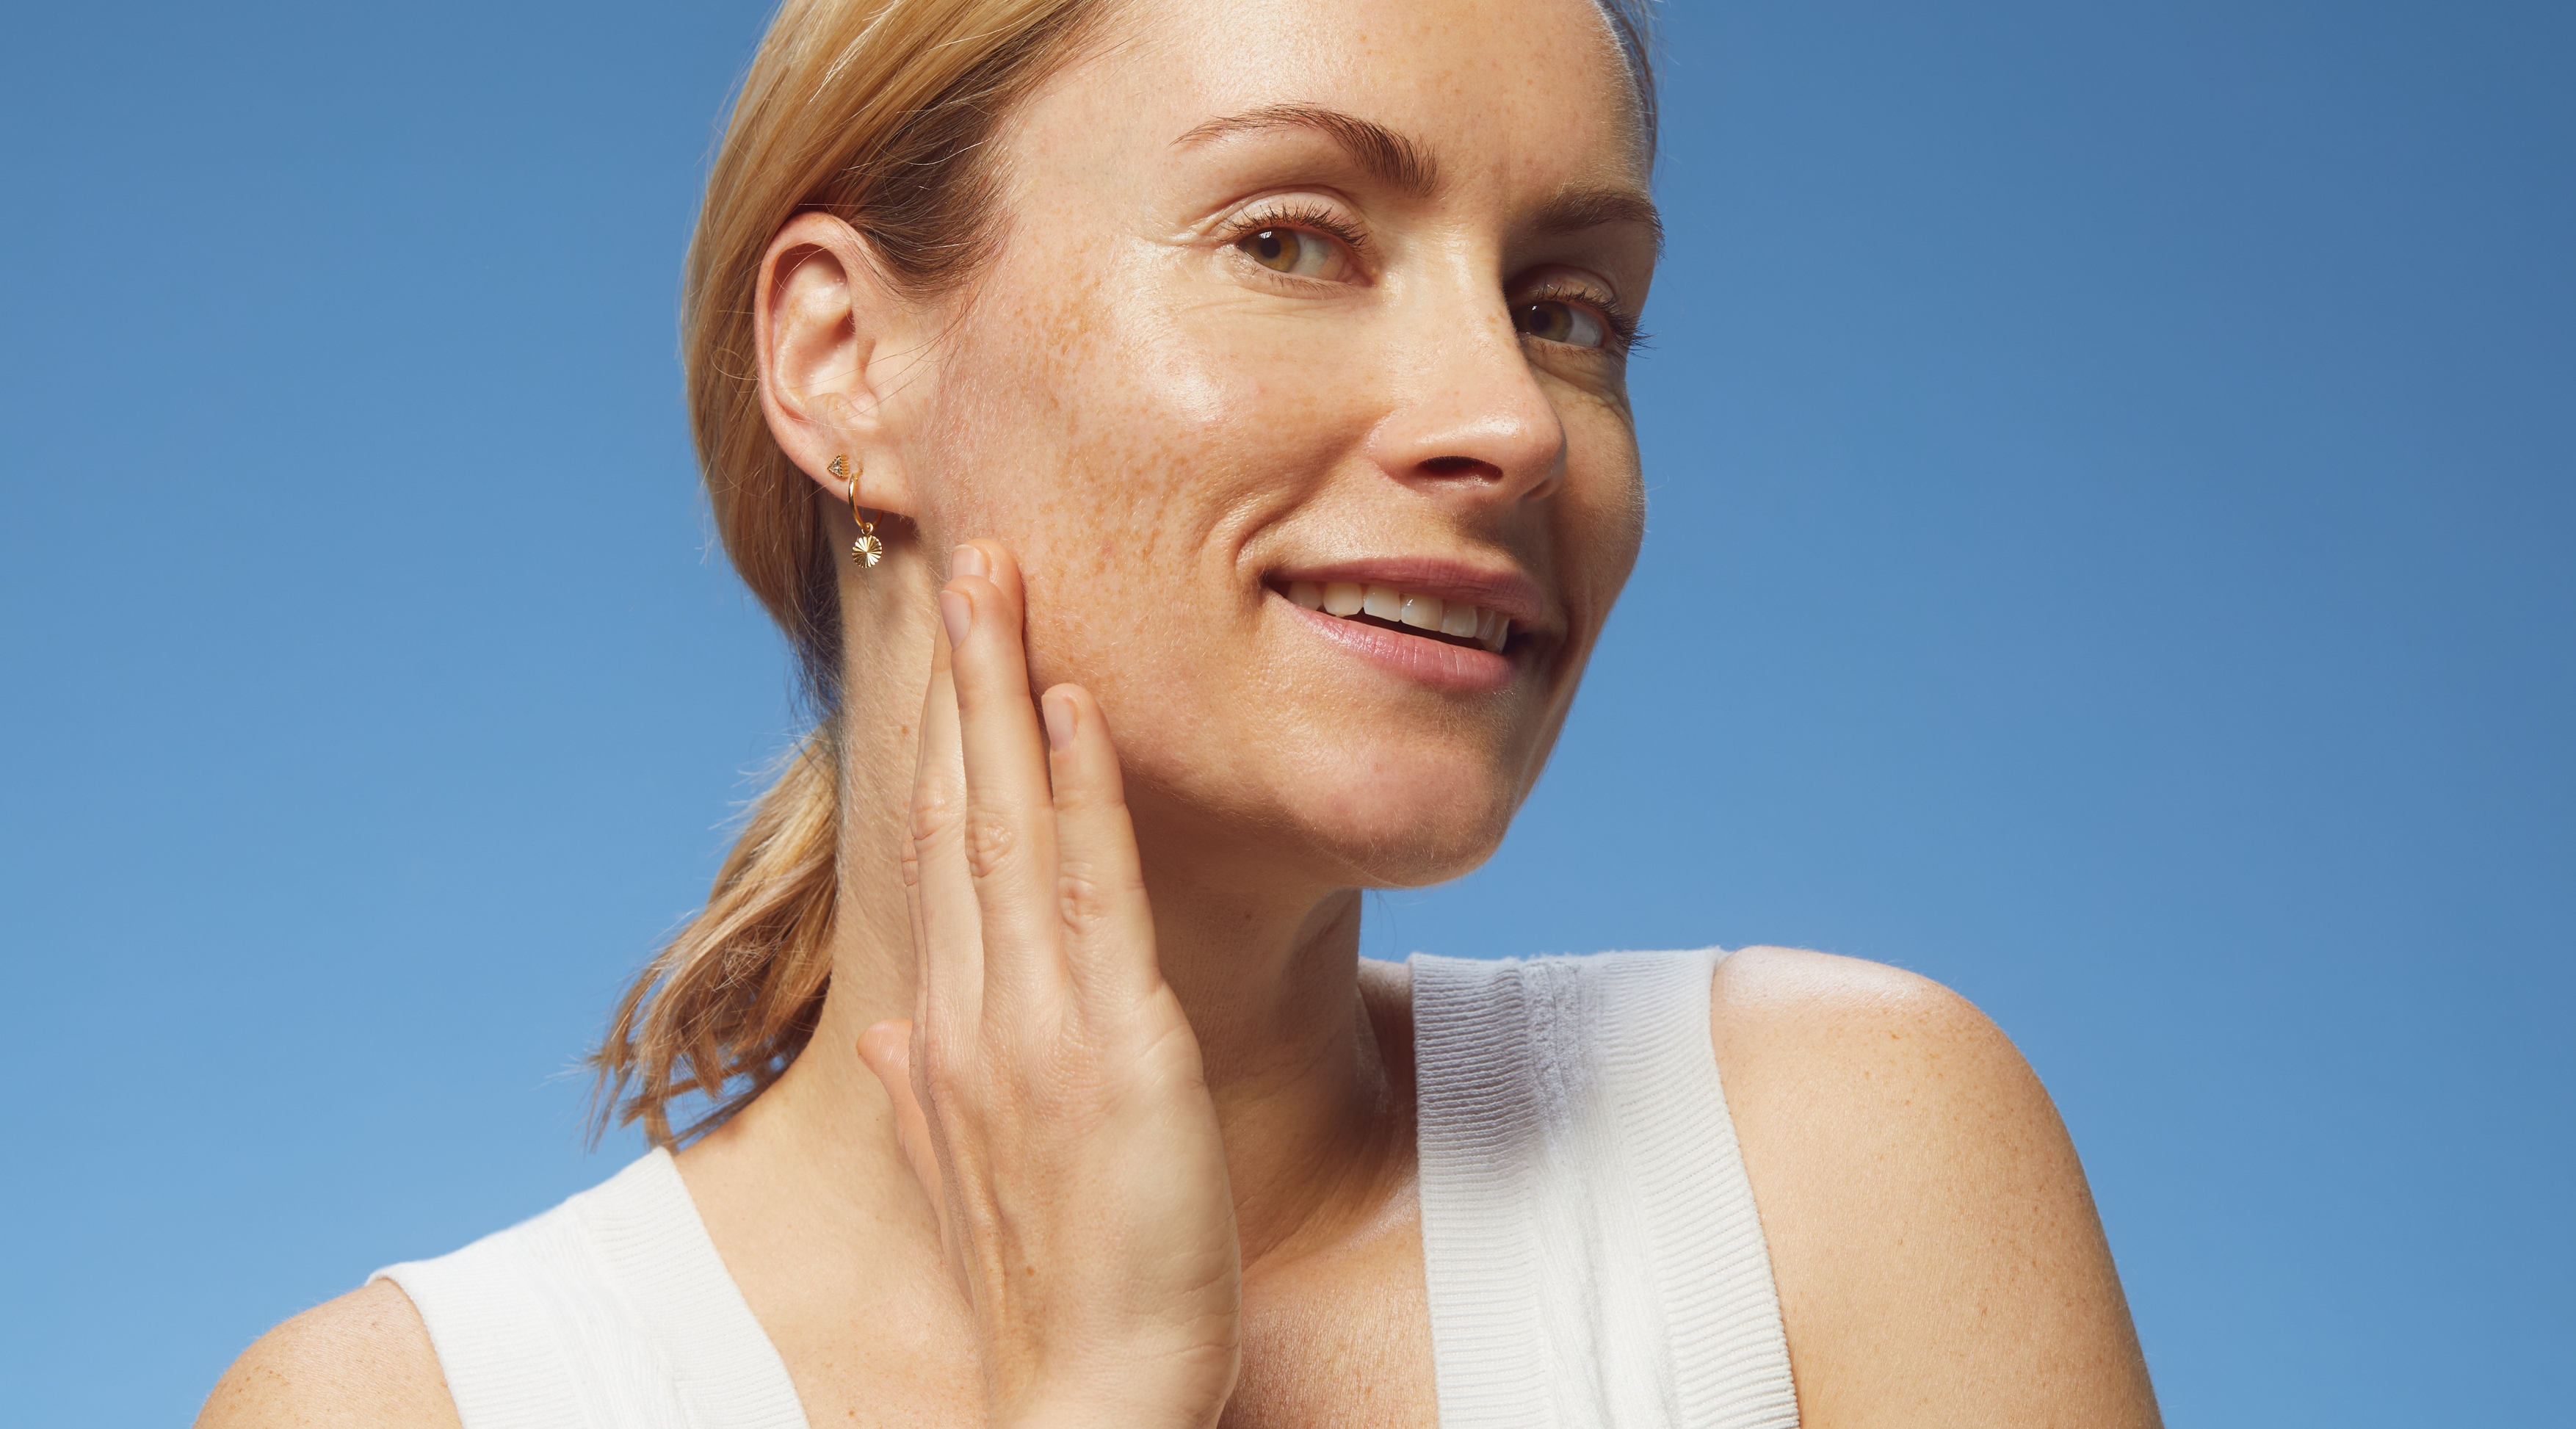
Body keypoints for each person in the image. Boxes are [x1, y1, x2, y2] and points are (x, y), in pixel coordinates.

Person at [198, 0, 2163, 1423]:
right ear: (841, 354)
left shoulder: (1839, 1177)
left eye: (1568, 307)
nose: (1502, 418)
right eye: (1290, 239)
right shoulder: (415, 1407)